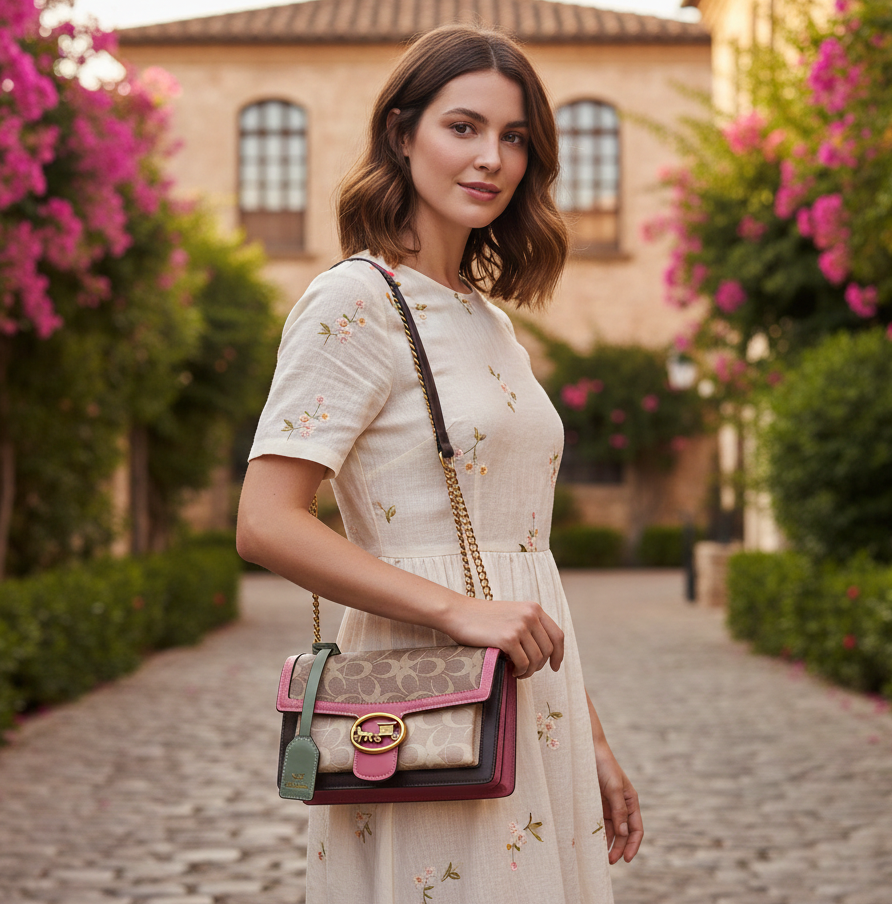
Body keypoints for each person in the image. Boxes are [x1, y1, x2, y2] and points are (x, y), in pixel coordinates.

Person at [236, 23, 643, 903]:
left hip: (530, 700)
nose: (492, 157)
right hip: (423, 700)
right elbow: (265, 523)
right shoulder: (353, 301)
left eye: (515, 136)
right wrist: (459, 611)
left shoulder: (487, 320)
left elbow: (521, 562)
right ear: (401, 132)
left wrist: (591, 736)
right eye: (464, 127)